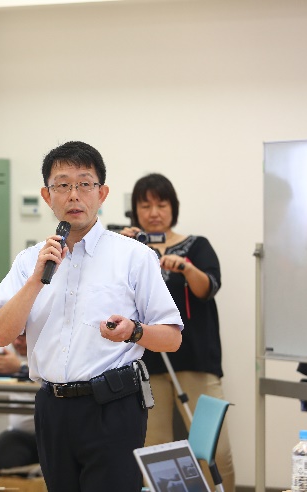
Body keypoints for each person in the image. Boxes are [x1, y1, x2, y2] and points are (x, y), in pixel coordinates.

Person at [0, 141, 183, 492]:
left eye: (84, 184)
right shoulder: (30, 261)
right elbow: (0, 334)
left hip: (114, 407)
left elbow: (172, 337)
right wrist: (36, 280)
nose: (74, 195)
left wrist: (134, 331)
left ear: (102, 193)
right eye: (63, 185)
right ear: (47, 196)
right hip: (52, 408)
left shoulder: (134, 256)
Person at [120, 173, 235, 492]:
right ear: (135, 211)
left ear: (173, 207)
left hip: (196, 360)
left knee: (214, 451)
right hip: (147, 364)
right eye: (145, 206)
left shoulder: (197, 245)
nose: (154, 212)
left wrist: (184, 266)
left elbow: (207, 289)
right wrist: (121, 246)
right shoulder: (128, 248)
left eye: (161, 204)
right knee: (156, 452)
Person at [0, 334, 38, 471]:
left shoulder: (53, 343)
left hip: (56, 435)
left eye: (23, 336)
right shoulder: (9, 339)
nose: (17, 342)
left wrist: (20, 368)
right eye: (15, 336)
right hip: (20, 435)